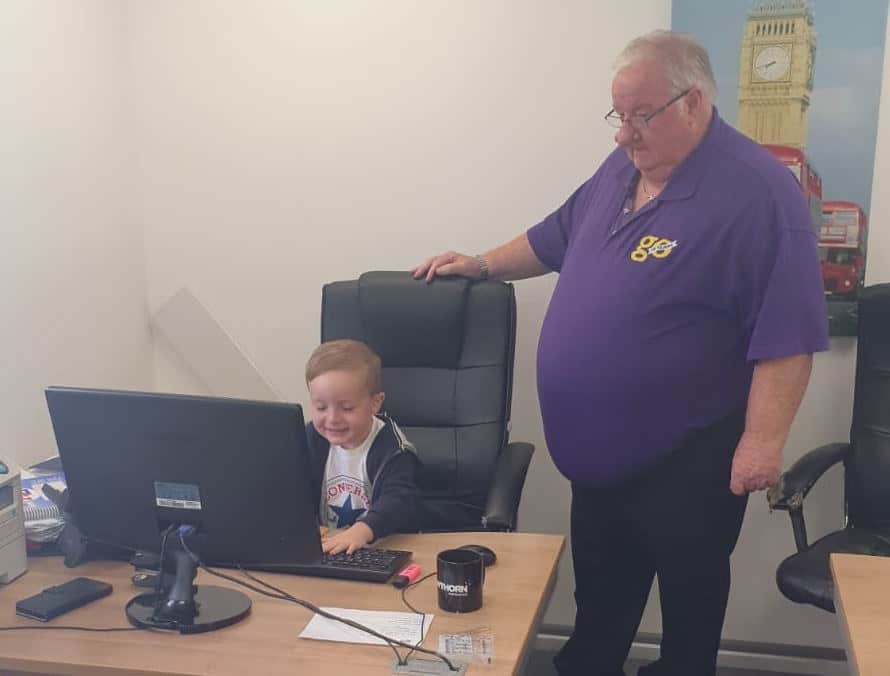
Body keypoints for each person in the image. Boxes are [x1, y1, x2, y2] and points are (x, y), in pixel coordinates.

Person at [413, 30, 828, 676]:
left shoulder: (761, 194)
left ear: (692, 104)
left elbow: (791, 333)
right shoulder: (625, 169)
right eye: (618, 115)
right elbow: (553, 235)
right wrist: (481, 264)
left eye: (640, 117)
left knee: (689, 606)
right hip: (600, 460)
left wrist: (764, 440)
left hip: (689, 455)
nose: (622, 134)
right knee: (602, 601)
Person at [304, 339, 418, 554]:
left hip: (381, 545)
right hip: (329, 545)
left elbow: (399, 501)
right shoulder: (312, 438)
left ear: (375, 403)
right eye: (320, 407)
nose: (332, 419)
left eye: (346, 408)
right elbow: (292, 487)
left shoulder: (393, 450)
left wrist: (362, 530)